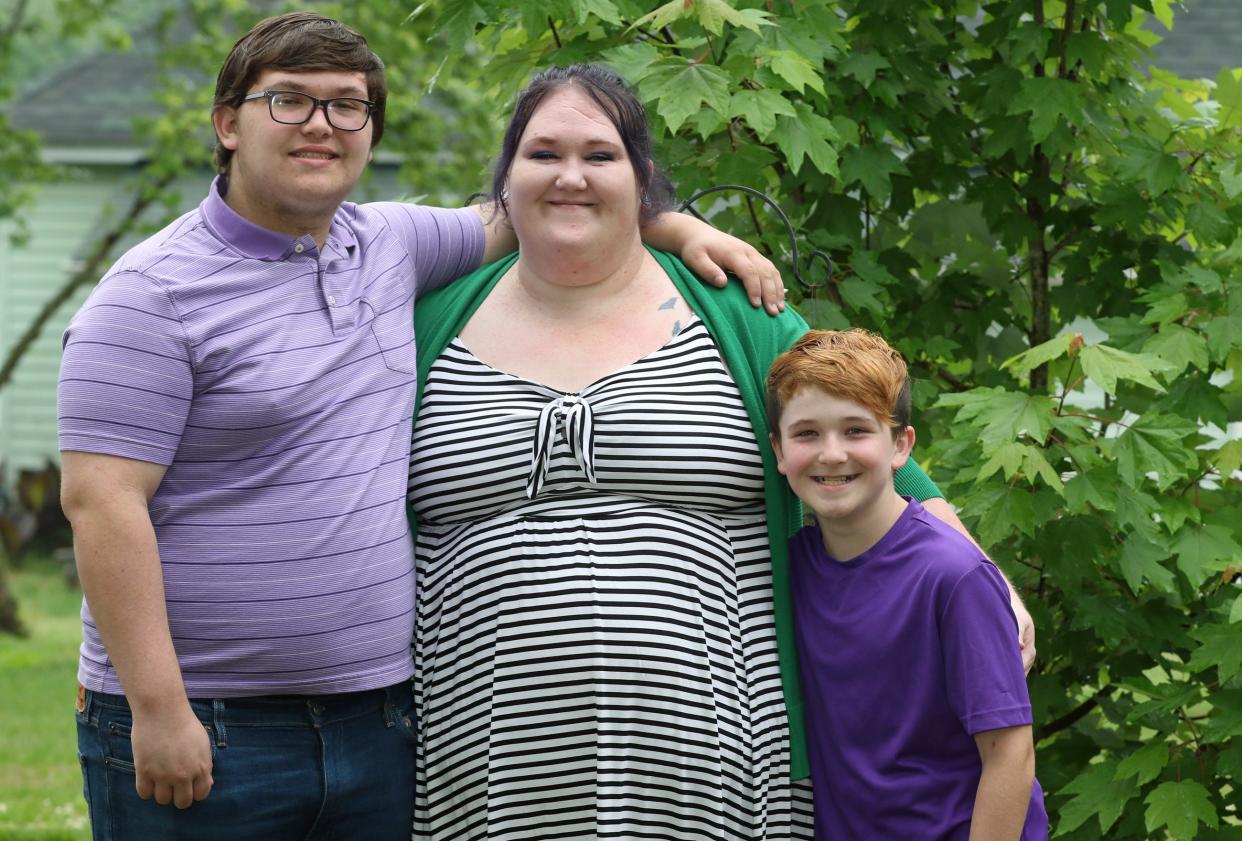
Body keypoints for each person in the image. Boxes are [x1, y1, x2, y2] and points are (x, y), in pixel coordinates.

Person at [56, 14, 789, 841]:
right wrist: (159, 708)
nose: (321, 127)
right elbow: (101, 503)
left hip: (378, 725)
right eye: (289, 102)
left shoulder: (389, 244)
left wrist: (681, 225)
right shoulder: (149, 296)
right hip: (212, 726)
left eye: (347, 107)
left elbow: (550, 203)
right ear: (228, 124)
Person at [405, 63, 1020, 839]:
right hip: (481, 777)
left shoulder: (735, 310)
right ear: (505, 177)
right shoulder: (427, 315)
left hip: (721, 777)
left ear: (643, 177)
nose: (571, 176)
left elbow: (878, 460)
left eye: (600, 156)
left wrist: (993, 586)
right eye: (542, 154)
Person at [767, 328, 1049, 840]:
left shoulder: (952, 575)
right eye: (807, 434)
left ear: (901, 446)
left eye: (856, 431)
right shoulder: (792, 569)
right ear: (779, 452)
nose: (832, 454)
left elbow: (1010, 752)